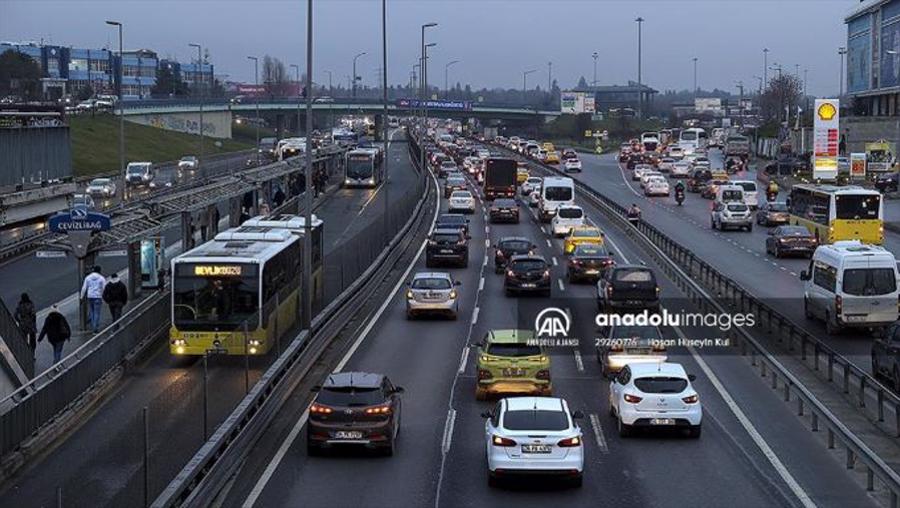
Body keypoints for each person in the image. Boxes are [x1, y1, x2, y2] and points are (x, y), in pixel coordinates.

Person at [80, 265, 107, 333]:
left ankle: (93, 325)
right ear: (99, 271)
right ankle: (95, 328)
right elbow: (104, 288)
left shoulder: (88, 278)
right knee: (97, 312)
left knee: (92, 312)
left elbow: (84, 288)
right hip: (98, 296)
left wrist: (81, 297)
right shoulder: (101, 278)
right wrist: (105, 296)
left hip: (90, 296)